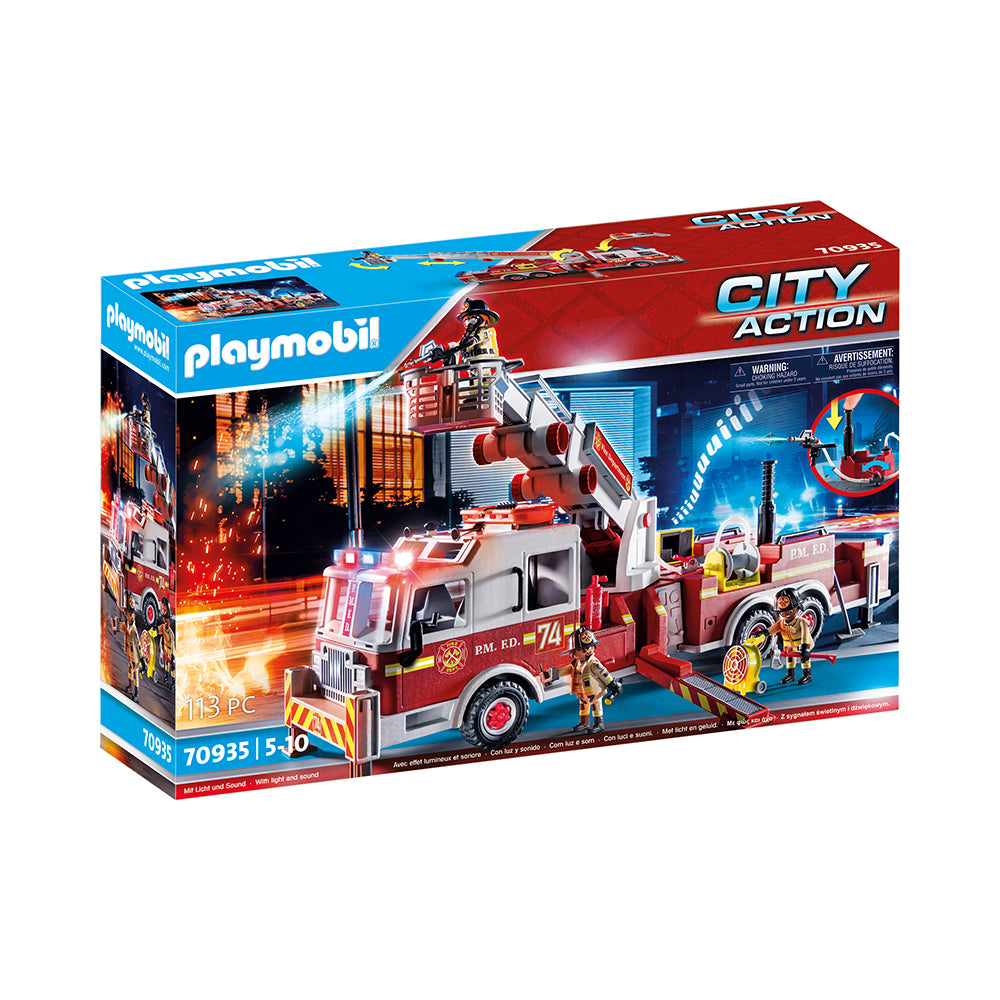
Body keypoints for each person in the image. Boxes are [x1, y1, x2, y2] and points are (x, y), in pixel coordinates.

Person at [562, 626, 621, 733]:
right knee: (583, 705)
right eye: (582, 650)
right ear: (574, 653)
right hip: (582, 691)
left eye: (589, 648)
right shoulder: (577, 663)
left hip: (594, 691)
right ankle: (584, 723)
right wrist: (553, 674)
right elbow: (567, 670)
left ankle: (599, 724)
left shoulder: (593, 663)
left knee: (595, 705)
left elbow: (604, 673)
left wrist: (612, 684)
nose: (587, 651)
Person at [768, 588, 815, 685]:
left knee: (804, 659)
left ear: (797, 608)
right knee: (790, 660)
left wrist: (805, 647)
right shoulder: (781, 623)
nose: (786, 615)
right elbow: (772, 630)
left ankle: (807, 675)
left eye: (789, 612)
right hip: (789, 646)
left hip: (801, 645)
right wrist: (764, 632)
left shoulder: (801, 622)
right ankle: (790, 675)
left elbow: (805, 635)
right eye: (782, 613)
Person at [123, 600, 142, 701]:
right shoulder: (128, 625)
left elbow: (138, 645)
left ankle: (137, 694)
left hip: (135, 657)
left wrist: (142, 658)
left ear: (132, 616)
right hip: (130, 655)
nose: (126, 615)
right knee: (130, 670)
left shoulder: (134, 630)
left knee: (135, 674)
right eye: (126, 613)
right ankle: (130, 688)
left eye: (128, 614)